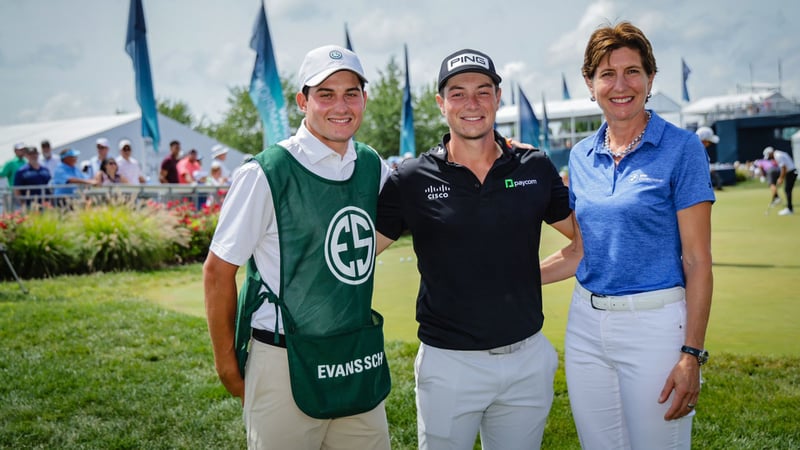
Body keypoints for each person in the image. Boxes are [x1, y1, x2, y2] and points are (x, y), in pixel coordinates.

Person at [375, 48, 574, 450]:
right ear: (441, 103)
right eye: (458, 93)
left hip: (527, 359)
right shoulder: (411, 178)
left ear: (498, 98)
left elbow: (583, 246)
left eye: (483, 92)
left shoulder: (533, 167)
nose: (472, 104)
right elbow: (359, 254)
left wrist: (521, 277)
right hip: (449, 364)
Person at [203, 44, 391, 450]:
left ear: (364, 99)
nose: (340, 106)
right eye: (326, 94)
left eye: (351, 93)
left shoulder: (373, 165)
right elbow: (218, 271)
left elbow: (426, 193)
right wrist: (226, 365)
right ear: (302, 100)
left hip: (354, 354)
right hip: (282, 360)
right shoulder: (265, 171)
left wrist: (496, 151)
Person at [548, 22, 715, 450]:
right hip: (585, 327)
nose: (620, 85)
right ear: (590, 84)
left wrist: (691, 353)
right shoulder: (581, 154)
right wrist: (508, 277)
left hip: (656, 327)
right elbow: (580, 252)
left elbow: (696, 261)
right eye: (607, 74)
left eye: (632, 71)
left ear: (650, 78)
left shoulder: (682, 148)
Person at [762, 146, 797, 216]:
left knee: (787, 190)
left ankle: (790, 209)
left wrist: (781, 178)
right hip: (791, 172)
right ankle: (790, 208)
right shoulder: (779, 153)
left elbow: (784, 168)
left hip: (791, 172)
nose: (769, 158)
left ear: (770, 153)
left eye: (769, 156)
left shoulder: (778, 156)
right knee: (787, 190)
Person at [696, 126, 724, 190]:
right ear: (703, 140)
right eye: (708, 141)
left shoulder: (702, 151)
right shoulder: (696, 152)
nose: (709, 144)